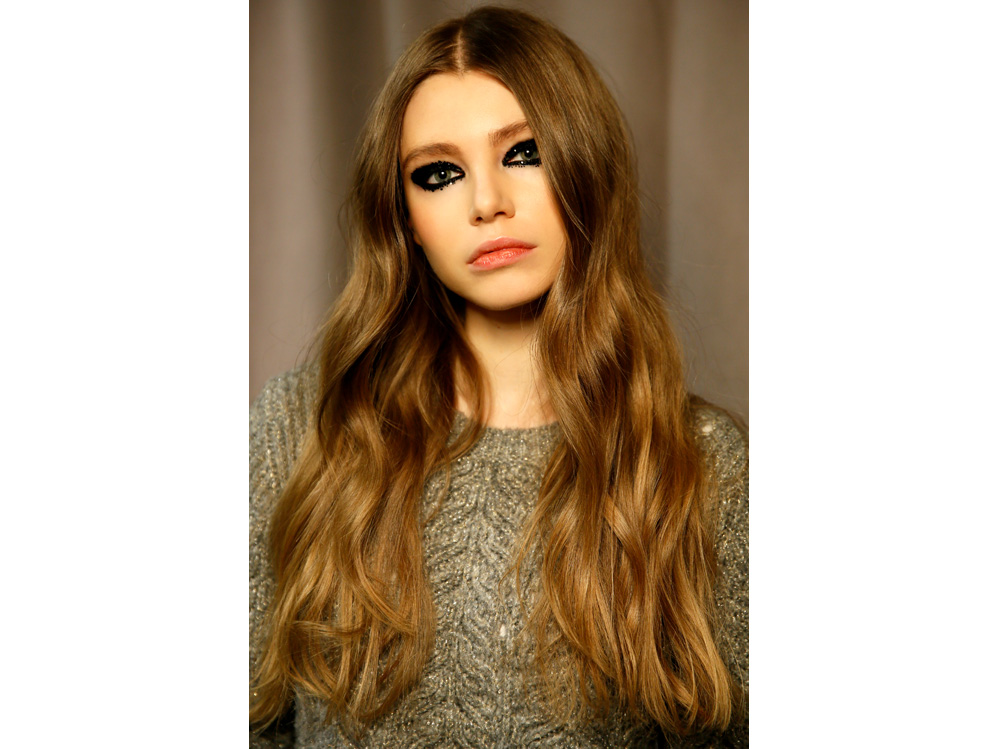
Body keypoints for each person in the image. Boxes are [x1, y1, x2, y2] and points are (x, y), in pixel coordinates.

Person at [250, 6, 747, 747]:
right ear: (405, 218)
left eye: (524, 152)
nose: (487, 202)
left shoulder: (698, 465)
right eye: (438, 174)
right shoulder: (304, 428)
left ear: (586, 168)